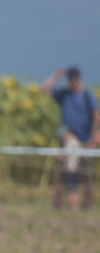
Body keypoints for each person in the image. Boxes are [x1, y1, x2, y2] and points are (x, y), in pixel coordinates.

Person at [42, 65, 98, 210]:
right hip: (67, 143)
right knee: (63, 175)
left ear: (79, 79)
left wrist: (93, 138)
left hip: (85, 141)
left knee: (86, 176)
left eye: (75, 78)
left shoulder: (87, 96)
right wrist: (56, 75)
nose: (73, 81)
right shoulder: (64, 94)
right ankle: (59, 206)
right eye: (71, 79)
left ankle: (87, 206)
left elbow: (96, 116)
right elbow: (44, 90)